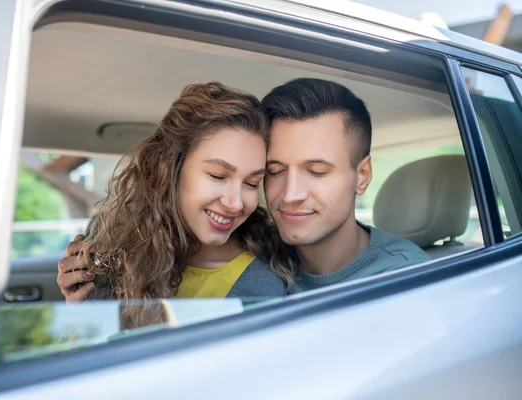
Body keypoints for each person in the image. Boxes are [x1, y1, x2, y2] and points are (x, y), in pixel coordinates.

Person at [57, 82, 293, 301]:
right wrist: (83, 308)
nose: (235, 203)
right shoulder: (109, 237)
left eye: (251, 183)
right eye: (218, 176)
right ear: (172, 169)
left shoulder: (257, 286)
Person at [261, 78, 430, 292]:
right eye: (274, 171)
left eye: (316, 171)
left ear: (362, 175)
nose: (290, 194)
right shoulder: (253, 254)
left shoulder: (406, 281)